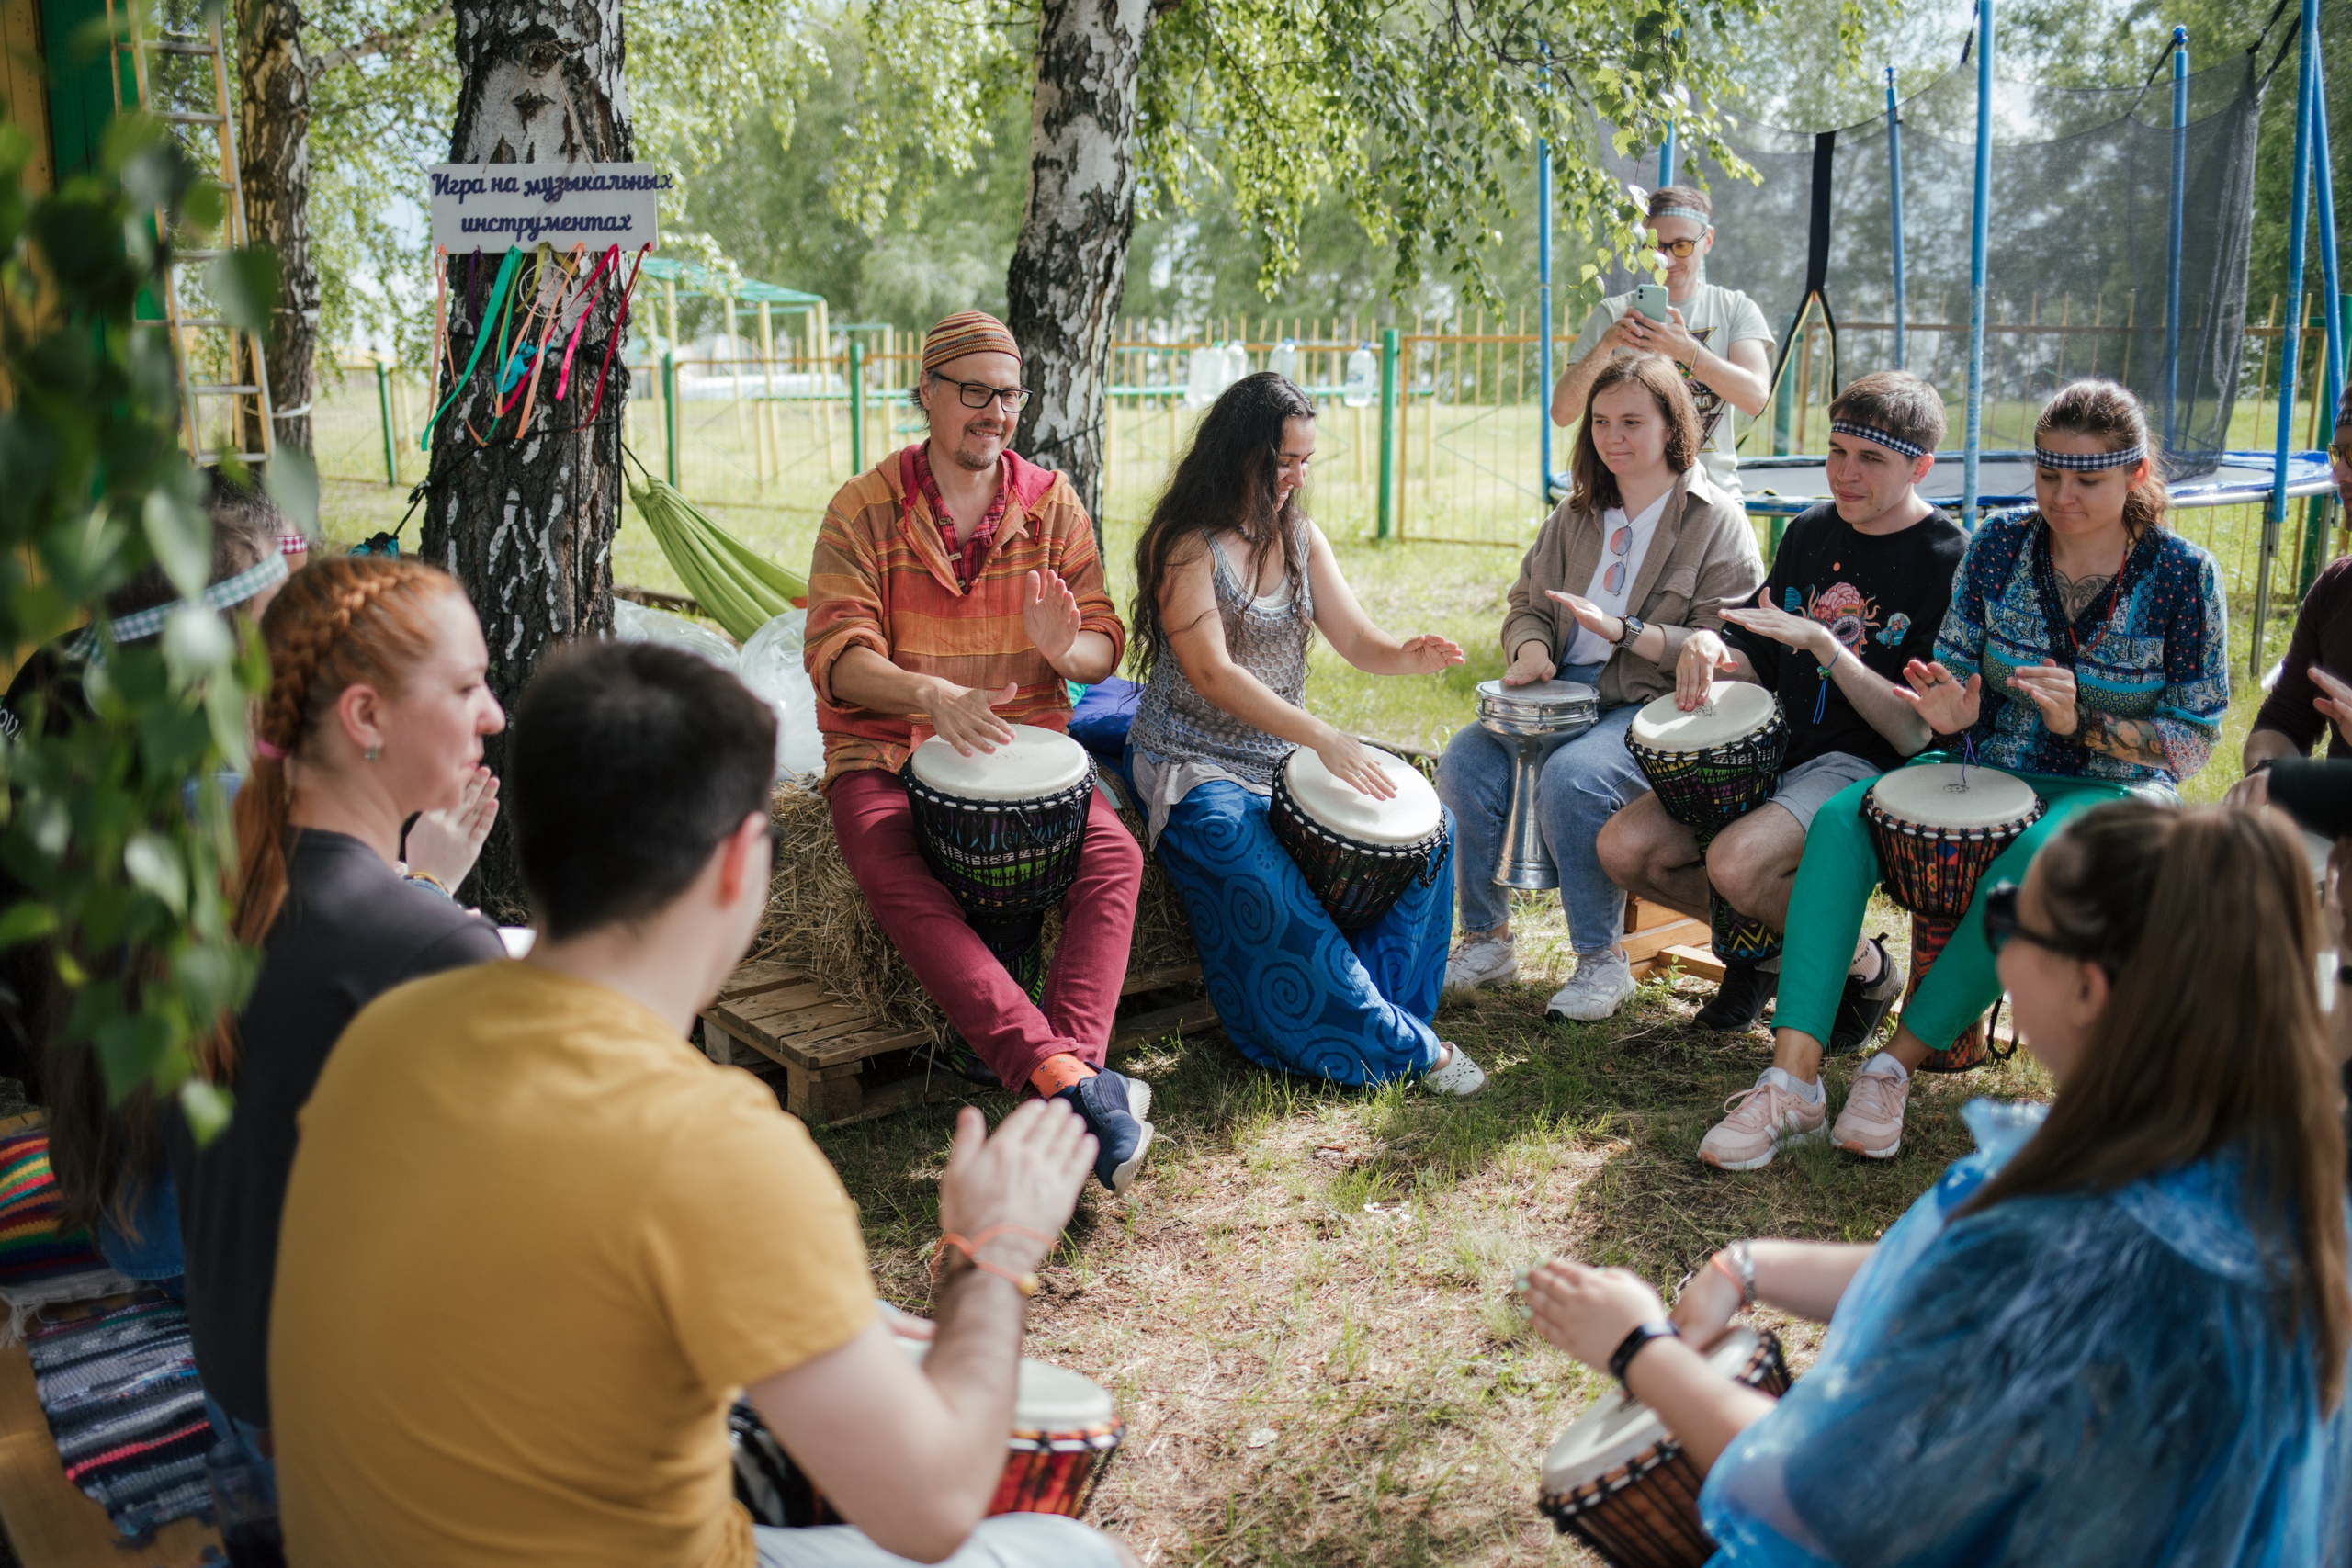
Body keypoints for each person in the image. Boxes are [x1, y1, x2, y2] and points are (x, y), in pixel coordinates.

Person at [270, 640, 1139, 1568]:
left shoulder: (384, 1034)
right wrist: (990, 1256)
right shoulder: (714, 1146)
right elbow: (932, 1507)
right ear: (740, 865)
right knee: (1072, 1552)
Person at [1525, 800, 2350, 1565]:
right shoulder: (2261, 1161)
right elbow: (1948, 1266)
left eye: (2006, 919)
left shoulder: (2076, 1232)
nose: (1992, 942)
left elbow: (1831, 1500)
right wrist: (1745, 1264)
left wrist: (1640, 1348)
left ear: (2089, 987)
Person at [1698, 378, 2229, 1169]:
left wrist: (2082, 721)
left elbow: (2195, 737)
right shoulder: (2001, 545)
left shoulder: (2184, 575)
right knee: (1845, 822)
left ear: (2137, 474)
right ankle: (1793, 1083)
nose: (2063, 496)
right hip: (1984, 764)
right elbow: (1944, 678)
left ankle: (1891, 1068)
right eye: (2050, 474)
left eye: (2087, 479)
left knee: (2032, 858)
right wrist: (1947, 707)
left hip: (2115, 790)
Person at [165, 555, 507, 1506]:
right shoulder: (423, 946)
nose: (494, 715)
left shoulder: (222, 885)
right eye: (468, 686)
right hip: (360, 1442)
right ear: (364, 718)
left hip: (240, 1386)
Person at [805, 309, 1153, 1190]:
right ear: (926, 393)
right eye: (974, 392)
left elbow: (1103, 642)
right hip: (885, 750)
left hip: (1025, 753)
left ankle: (1063, 1076)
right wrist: (930, 696)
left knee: (1113, 857)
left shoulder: (1052, 501)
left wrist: (1060, 648)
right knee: (898, 878)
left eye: (1008, 395)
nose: (994, 412)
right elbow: (837, 657)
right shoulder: (863, 509)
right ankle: (1075, 1088)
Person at [1123, 371, 1483, 1093]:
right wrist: (1323, 736)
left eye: (1305, 461)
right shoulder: (1186, 543)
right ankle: (1403, 1049)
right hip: (1191, 762)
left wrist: (1404, 656)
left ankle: (1385, 1018)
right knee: (1251, 863)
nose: (1295, 476)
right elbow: (1212, 673)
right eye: (1282, 460)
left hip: (1281, 756)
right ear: (1239, 453)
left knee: (1429, 830)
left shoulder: (1299, 535)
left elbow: (1355, 638)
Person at [1598, 372, 1964, 1033]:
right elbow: (1759, 655)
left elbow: (1914, 731)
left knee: (1735, 860)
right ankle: (1782, 955)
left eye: (1871, 459)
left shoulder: (1947, 558)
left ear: (1923, 467)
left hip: (1865, 765)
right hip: (1777, 747)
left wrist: (1827, 646)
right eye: (1837, 451)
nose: (1845, 474)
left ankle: (1866, 970)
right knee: (1627, 847)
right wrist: (1711, 649)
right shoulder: (1810, 530)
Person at [17, 472, 290, 1296]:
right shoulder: (222, 816)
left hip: (130, 1214)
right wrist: (419, 879)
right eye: (281, 620)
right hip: (206, 1249)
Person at [1439, 354, 1766, 1021]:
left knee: (1574, 777)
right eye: (1601, 422)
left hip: (1654, 706)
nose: (1613, 437)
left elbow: (1726, 643)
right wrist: (1530, 648)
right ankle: (1487, 940)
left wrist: (1628, 629)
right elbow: (1527, 602)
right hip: (1561, 691)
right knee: (1464, 760)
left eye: (1632, 422)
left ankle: (1600, 961)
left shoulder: (1715, 519)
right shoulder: (1576, 514)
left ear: (1673, 426)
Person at [1550, 186, 1774, 503]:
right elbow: (1562, 412)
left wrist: (1687, 350)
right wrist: (1605, 346)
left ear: (1707, 241)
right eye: (1655, 246)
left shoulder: (1735, 308)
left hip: (1712, 500)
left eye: (1681, 245)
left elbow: (1755, 399)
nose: (1667, 259)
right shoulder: (1614, 315)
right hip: (1623, 503)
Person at [2229, 383, 2352, 804]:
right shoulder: (2336, 589)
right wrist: (2269, 774)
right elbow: (2285, 721)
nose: (2341, 473)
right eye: (2339, 454)